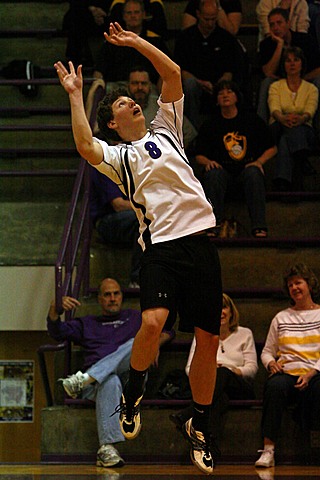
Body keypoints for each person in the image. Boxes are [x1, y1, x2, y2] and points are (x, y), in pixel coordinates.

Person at [54, 21, 223, 474]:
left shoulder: (167, 128)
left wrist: (135, 42)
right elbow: (85, 145)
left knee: (208, 340)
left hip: (200, 243)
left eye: (134, 99)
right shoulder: (119, 156)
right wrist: (74, 93)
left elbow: (171, 73)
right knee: (152, 322)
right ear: (114, 122)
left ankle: (199, 423)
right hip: (162, 248)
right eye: (126, 103)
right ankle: (133, 394)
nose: (135, 102)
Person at [47, 278, 141, 468]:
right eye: (107, 294)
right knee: (110, 380)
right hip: (99, 387)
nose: (112, 298)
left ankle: (82, 380)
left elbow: (166, 331)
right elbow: (57, 331)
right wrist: (54, 308)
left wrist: (156, 344)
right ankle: (107, 448)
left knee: (136, 343)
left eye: (116, 294)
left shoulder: (135, 318)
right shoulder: (88, 323)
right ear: (99, 299)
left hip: (132, 381)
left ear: (122, 297)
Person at [169, 293, 258, 447]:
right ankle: (208, 447)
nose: (220, 312)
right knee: (219, 399)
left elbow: (252, 368)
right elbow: (190, 369)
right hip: (214, 389)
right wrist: (209, 370)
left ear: (231, 311)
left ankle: (190, 413)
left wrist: (229, 369)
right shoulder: (202, 336)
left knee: (221, 373)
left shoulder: (245, 334)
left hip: (239, 387)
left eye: (224, 307)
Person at [255, 263, 320, 468]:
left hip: (315, 372)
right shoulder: (281, 317)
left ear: (309, 284)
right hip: (288, 372)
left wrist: (312, 373)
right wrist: (271, 363)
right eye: (290, 285)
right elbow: (267, 351)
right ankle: (268, 451)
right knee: (274, 387)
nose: (294, 288)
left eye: (298, 282)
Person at [194, 80, 277, 238]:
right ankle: (212, 226)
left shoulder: (252, 120)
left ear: (237, 97)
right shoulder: (210, 124)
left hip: (246, 172)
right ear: (216, 100)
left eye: (229, 91)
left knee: (254, 173)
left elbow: (272, 148)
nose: (225, 95)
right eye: (220, 93)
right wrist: (208, 162)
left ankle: (259, 227)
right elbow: (199, 156)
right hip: (222, 175)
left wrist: (259, 162)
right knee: (213, 174)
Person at [174, 0, 244, 130]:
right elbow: (181, 70)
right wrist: (200, 82)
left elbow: (230, 70)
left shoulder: (226, 38)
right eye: (207, 19)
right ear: (198, 14)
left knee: (228, 89)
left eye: (213, 19)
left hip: (219, 85)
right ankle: (193, 130)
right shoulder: (186, 37)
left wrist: (220, 85)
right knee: (190, 85)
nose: (210, 23)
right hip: (195, 84)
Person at [268, 46, 318, 191]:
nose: (292, 64)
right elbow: (274, 108)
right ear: (284, 65)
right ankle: (302, 158)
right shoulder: (275, 86)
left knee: (285, 141)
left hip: (304, 129)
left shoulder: (311, 88)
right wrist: (283, 118)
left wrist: (300, 119)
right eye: (288, 61)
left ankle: (282, 181)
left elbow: (310, 111)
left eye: (296, 60)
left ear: (302, 63)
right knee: (285, 131)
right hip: (278, 125)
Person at [257, 7, 320, 123]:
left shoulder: (305, 40)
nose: (276, 27)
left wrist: (300, 79)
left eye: (279, 23)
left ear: (288, 23)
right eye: (272, 25)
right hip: (280, 84)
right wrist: (279, 46)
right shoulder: (266, 45)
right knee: (266, 83)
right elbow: (268, 72)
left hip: (305, 80)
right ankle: (261, 128)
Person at [90, 0, 169, 91]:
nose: (133, 16)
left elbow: (167, 68)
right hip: (118, 88)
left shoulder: (155, 41)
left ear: (144, 15)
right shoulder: (113, 41)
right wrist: (97, 87)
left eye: (136, 12)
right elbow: (99, 71)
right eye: (129, 13)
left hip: (147, 88)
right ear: (123, 16)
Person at [89, 167, 142, 287]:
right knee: (143, 219)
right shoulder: (104, 165)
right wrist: (149, 206)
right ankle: (137, 279)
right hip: (106, 220)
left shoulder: (133, 165)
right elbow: (118, 205)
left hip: (130, 216)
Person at [127, 66, 198, 150]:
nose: (140, 87)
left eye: (144, 83)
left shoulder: (162, 105)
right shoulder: (120, 108)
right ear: (128, 85)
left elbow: (189, 133)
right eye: (135, 83)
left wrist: (171, 153)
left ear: (150, 85)